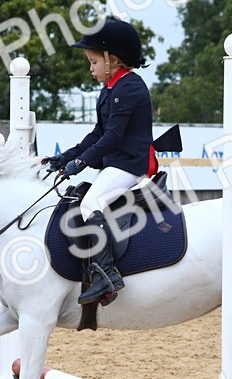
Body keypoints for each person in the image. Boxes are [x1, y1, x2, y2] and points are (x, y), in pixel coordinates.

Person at [42, 17, 157, 306]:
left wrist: (80, 164)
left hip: (130, 164)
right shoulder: (111, 89)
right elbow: (97, 134)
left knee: (90, 204)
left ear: (112, 59)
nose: (90, 69)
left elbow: (113, 136)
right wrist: (64, 158)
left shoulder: (130, 87)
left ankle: (106, 275)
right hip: (116, 163)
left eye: (94, 62)